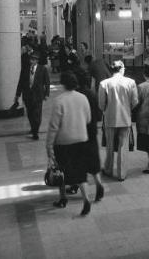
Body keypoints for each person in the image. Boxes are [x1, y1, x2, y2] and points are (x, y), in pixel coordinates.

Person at [46, 71, 92, 216]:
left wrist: (49, 145)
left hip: (63, 142)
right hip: (81, 140)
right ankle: (86, 200)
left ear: (63, 84)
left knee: (61, 172)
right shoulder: (83, 98)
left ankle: (63, 199)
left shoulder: (59, 101)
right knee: (80, 172)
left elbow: (54, 126)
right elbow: (88, 119)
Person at [66, 71, 105, 201]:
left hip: (79, 132)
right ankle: (98, 183)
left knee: (77, 161)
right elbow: (99, 114)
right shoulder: (92, 94)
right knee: (93, 160)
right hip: (92, 131)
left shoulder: (76, 96)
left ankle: (75, 186)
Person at [98, 60, 139, 181]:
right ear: (121, 69)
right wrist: (128, 109)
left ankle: (108, 169)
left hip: (110, 118)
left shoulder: (104, 83)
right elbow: (135, 101)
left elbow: (101, 104)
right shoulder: (130, 82)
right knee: (123, 146)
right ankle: (121, 174)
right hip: (125, 118)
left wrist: (106, 110)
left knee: (110, 145)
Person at [15, 51, 50, 140]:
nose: (31, 61)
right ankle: (33, 128)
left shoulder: (42, 69)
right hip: (27, 95)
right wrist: (17, 94)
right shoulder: (25, 69)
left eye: (34, 59)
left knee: (37, 114)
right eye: (31, 59)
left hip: (38, 95)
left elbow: (47, 82)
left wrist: (46, 94)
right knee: (30, 113)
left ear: (37, 61)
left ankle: (35, 132)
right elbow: (21, 82)